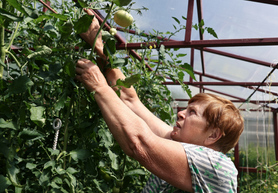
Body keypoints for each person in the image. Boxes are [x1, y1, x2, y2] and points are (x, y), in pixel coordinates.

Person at [75, 9, 244, 193]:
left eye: (192, 112)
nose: (180, 113)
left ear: (212, 135)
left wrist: (100, 87)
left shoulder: (217, 166)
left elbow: (139, 142)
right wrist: (101, 50)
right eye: (186, 109)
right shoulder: (179, 144)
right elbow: (131, 101)